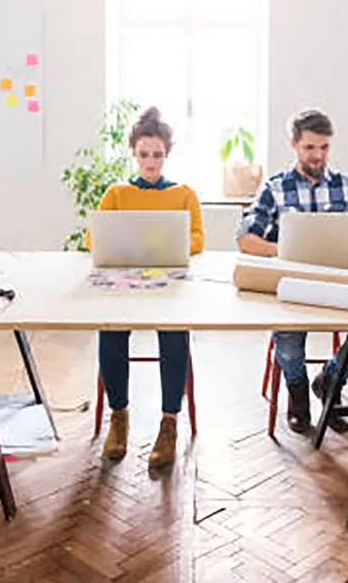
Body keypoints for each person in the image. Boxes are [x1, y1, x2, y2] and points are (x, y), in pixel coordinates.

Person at [236, 108, 348, 434]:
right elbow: (245, 240)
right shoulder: (275, 188)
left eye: (324, 148)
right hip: (293, 287)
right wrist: (285, 250)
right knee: (288, 339)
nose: (318, 155)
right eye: (309, 148)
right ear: (294, 145)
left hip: (341, 285)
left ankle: (329, 382)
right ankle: (298, 397)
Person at [93, 107, 204, 468]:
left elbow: (198, 238)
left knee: (174, 334)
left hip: (168, 283)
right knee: (110, 331)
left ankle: (169, 422)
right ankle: (118, 416)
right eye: (144, 155)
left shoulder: (184, 194)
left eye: (157, 155)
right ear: (134, 154)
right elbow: (93, 236)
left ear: (166, 155)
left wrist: (169, 246)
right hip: (125, 282)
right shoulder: (117, 193)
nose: (151, 162)